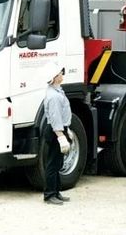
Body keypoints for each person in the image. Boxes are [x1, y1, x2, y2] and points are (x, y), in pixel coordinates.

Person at [42, 61, 72, 205]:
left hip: (60, 129)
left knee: (58, 162)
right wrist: (61, 136)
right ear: (54, 77)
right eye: (60, 73)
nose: (62, 74)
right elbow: (55, 118)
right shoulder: (53, 96)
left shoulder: (57, 90)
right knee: (53, 163)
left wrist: (67, 131)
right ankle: (49, 194)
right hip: (56, 130)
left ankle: (56, 191)